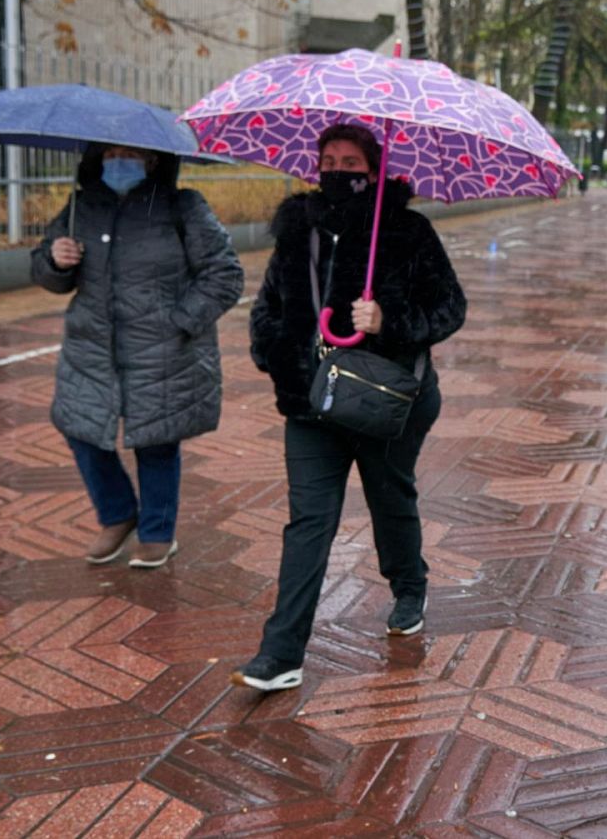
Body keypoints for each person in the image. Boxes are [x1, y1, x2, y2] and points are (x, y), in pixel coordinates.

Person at [234, 123, 466, 692]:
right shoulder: (297, 231)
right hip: (310, 400)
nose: (338, 171)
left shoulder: (407, 231)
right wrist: (276, 353)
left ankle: (409, 585)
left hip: (384, 398)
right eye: (329, 161)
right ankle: (281, 653)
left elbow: (450, 306)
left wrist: (390, 321)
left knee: (390, 499)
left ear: (374, 169)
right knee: (309, 522)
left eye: (351, 162)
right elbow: (267, 306)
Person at [31, 144, 244, 569]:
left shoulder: (183, 207)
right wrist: (55, 261)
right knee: (81, 429)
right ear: (96, 158)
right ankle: (118, 513)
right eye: (110, 152)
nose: (119, 160)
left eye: (131, 152)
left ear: (154, 160)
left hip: (162, 348)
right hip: (91, 347)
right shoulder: (80, 208)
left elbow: (225, 274)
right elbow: (47, 275)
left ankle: (157, 531)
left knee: (157, 439)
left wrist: (180, 321)